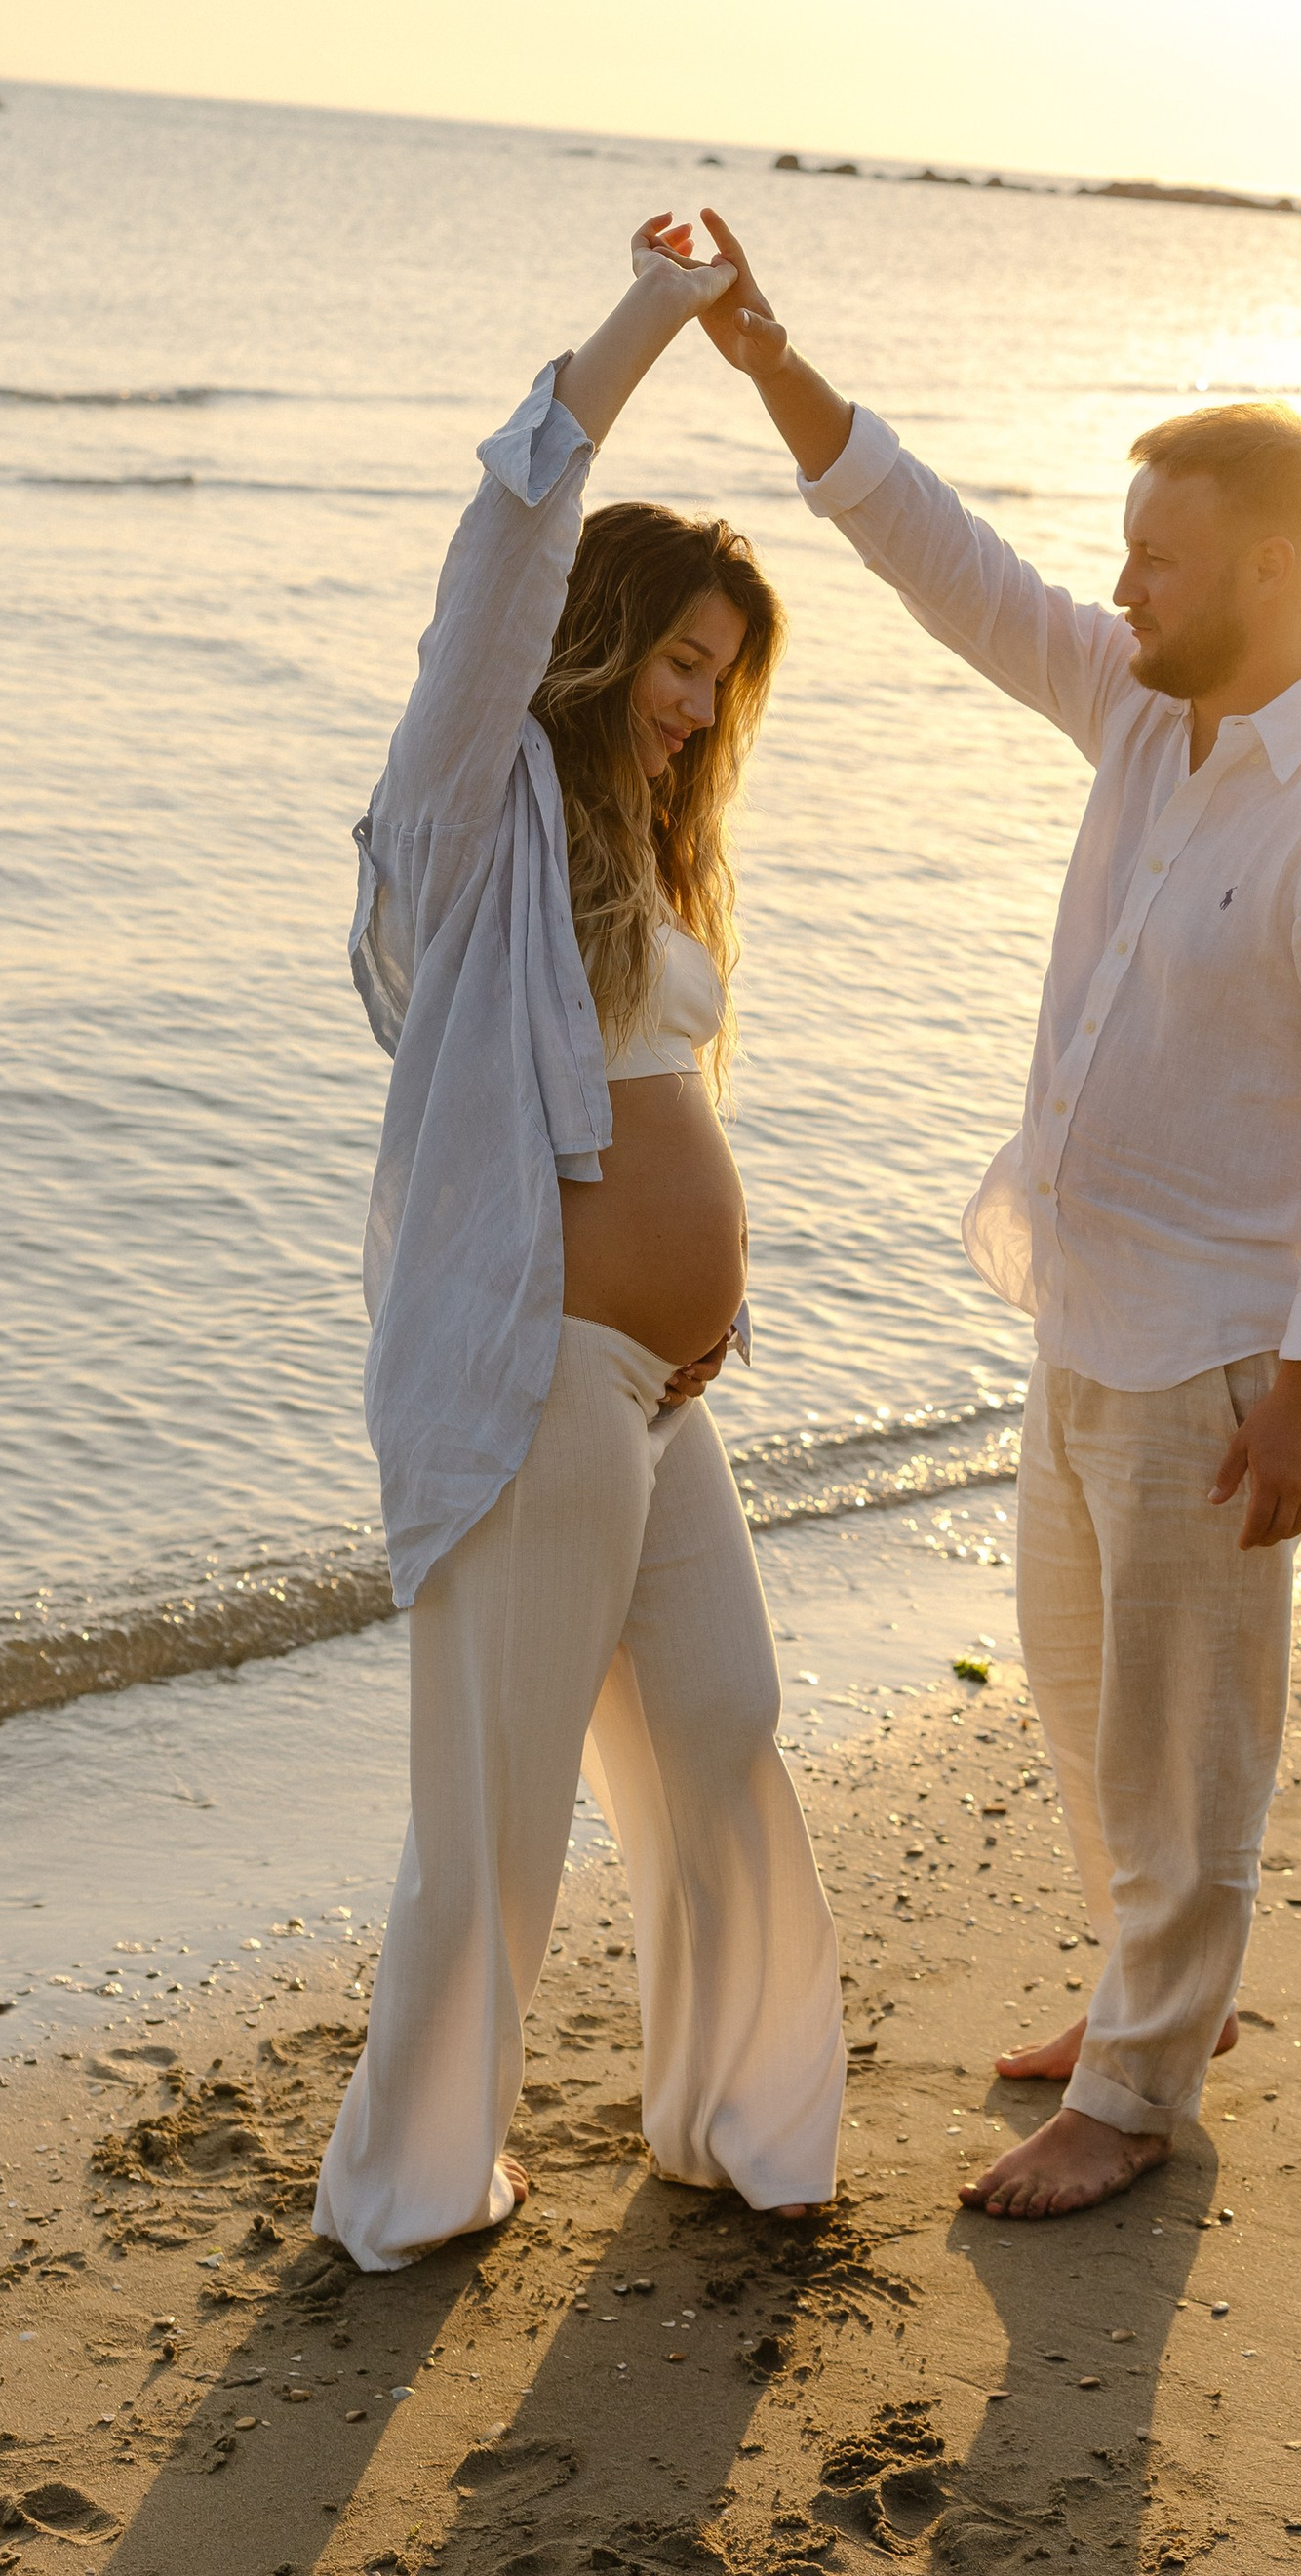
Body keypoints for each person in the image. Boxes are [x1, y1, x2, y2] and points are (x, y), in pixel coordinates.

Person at [693, 207, 1301, 2219]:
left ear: (1274, 571)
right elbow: (945, 562)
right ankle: (1152, 1991)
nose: (1116, 584)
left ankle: (1134, 2094)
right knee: (1074, 1686)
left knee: (1187, 1741)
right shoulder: (1136, 705)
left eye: (1157, 553)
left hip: (1215, 1355)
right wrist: (777, 368)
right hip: (1077, 1307)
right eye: (1121, 549)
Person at [312, 218, 846, 2275]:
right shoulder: (480, 798)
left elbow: (652, 1105)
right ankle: (412, 2180)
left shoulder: (647, 840)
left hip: (655, 1384)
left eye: (724, 678)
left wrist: (710, 1285)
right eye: (676, 659)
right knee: (499, 1811)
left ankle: (732, 2114)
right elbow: (509, 525)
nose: (697, 707)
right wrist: (657, 312)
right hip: (533, 1371)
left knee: (719, 1716)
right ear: (598, 635)